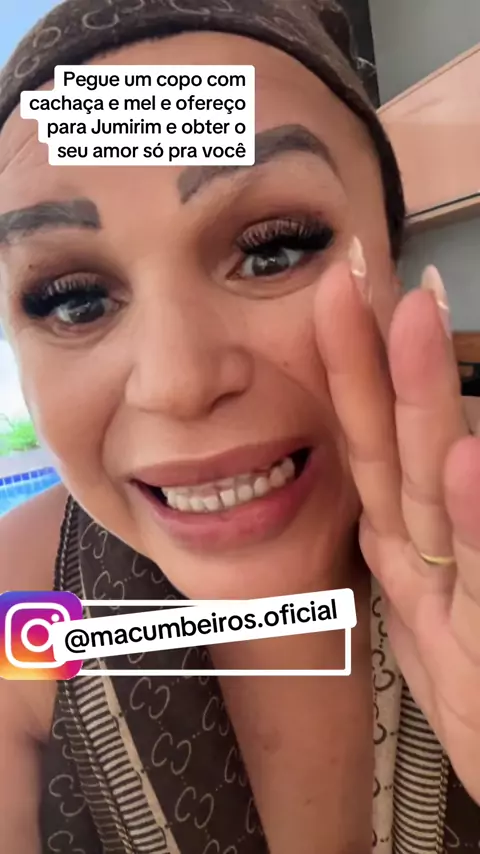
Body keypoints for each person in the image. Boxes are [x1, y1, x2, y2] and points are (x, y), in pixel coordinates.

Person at [0, 1, 479, 852]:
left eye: (272, 251)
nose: (178, 383)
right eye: (73, 301)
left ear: (393, 255)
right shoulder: (22, 599)